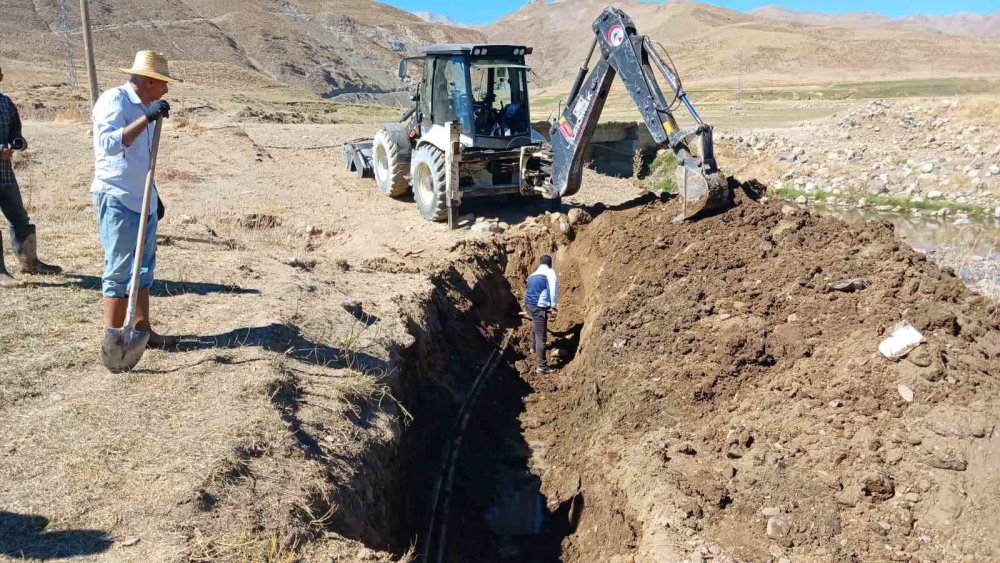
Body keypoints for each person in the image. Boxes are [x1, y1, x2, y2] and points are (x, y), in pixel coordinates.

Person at [91, 51, 178, 348]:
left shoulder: (145, 106)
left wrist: (155, 196)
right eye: (163, 82)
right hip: (117, 197)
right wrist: (146, 117)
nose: (166, 89)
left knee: (143, 269)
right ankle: (114, 340)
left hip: (143, 199)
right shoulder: (114, 101)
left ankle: (143, 331)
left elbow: (142, 159)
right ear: (150, 81)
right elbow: (109, 144)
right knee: (118, 270)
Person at [0, 64, 62, 288]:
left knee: (19, 217)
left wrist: (17, 143)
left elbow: (16, 132)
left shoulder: (5, 103)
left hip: (5, 173)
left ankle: (29, 262)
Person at [524, 254, 558, 374]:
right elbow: (553, 290)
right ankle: (542, 366)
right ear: (550, 264)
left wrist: (545, 306)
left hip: (528, 305)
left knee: (535, 324)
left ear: (540, 263)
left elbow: (529, 290)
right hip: (538, 307)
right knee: (541, 336)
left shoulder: (532, 275)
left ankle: (533, 347)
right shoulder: (550, 272)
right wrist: (553, 307)